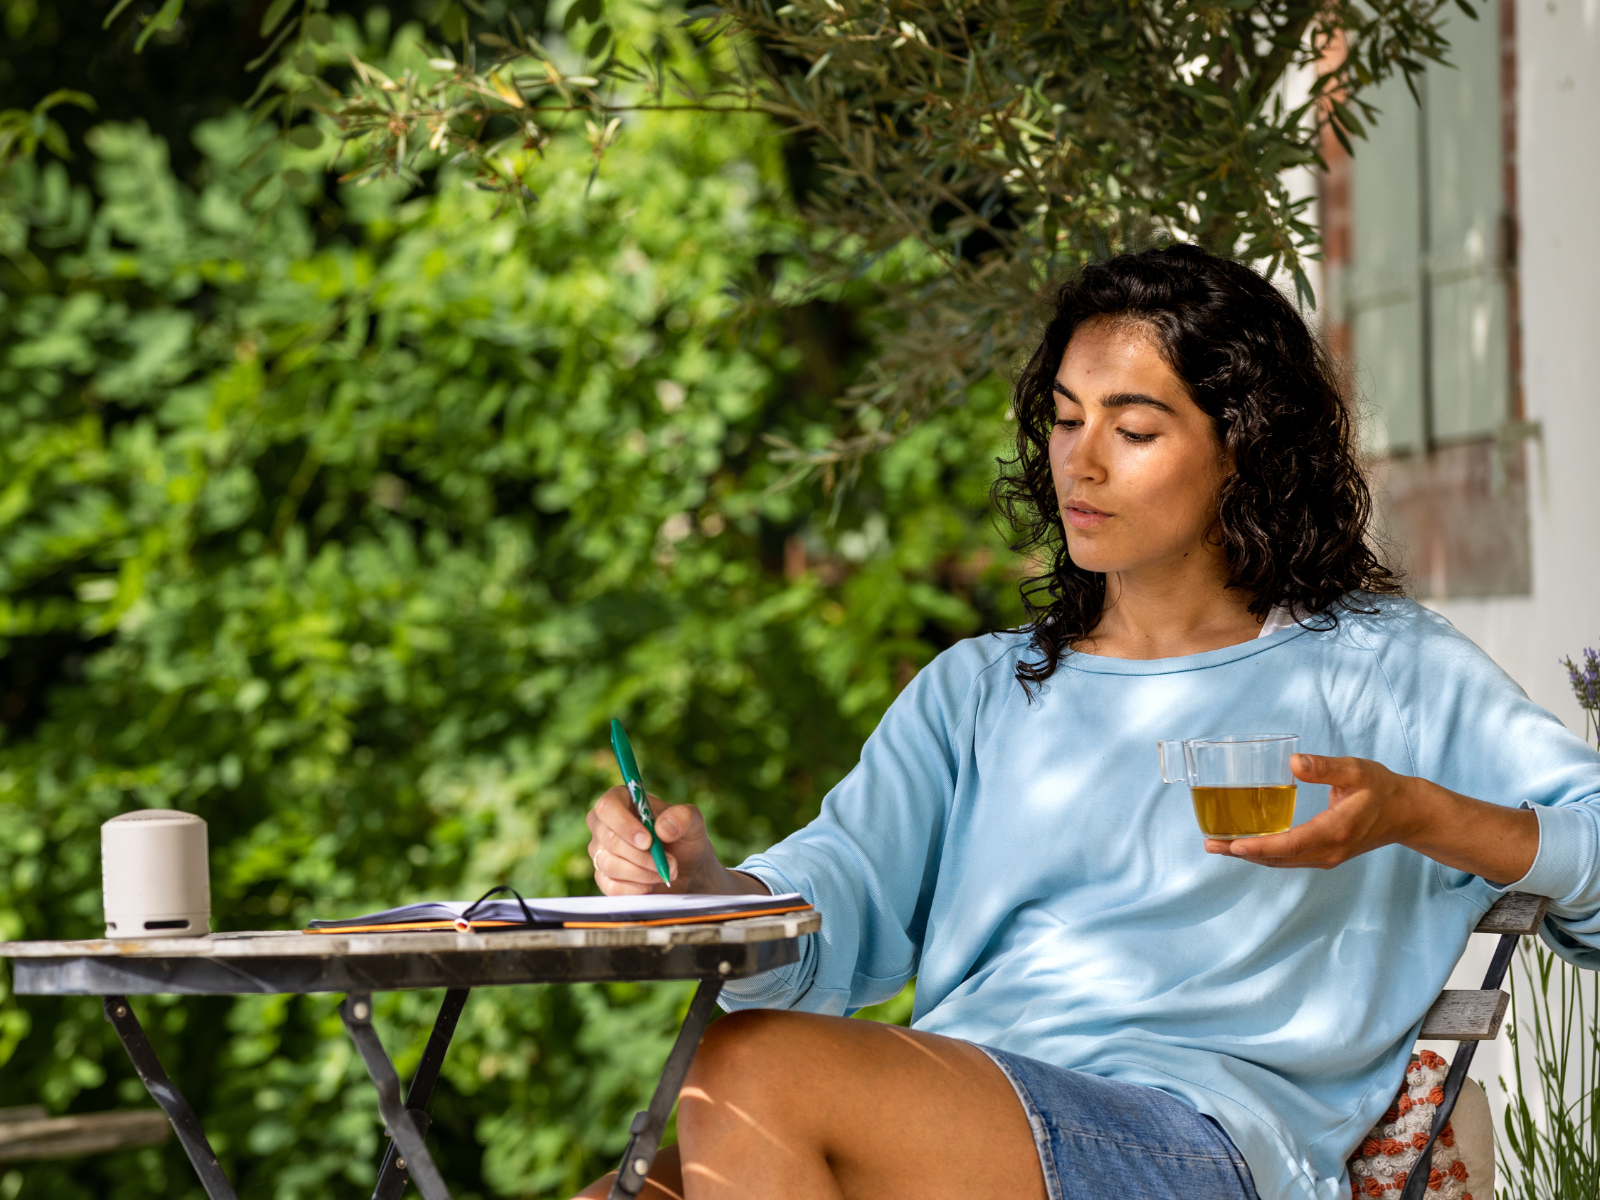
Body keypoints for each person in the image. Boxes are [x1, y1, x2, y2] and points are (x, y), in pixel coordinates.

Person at [575, 244, 1600, 1200]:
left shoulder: (1378, 669)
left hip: (1198, 1141)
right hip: (967, 1114)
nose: (1081, 461)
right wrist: (711, 890)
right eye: (1066, 420)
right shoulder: (979, 691)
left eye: (1135, 429)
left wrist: (1413, 812)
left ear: (1240, 447)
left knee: (746, 1065)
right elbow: (837, 889)